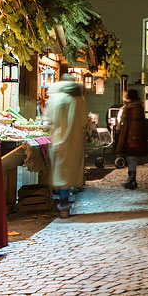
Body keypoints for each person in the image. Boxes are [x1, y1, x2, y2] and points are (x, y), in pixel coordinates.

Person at [46, 73, 88, 218]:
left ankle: (62, 204)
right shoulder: (79, 98)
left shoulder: (56, 97)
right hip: (74, 140)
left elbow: (49, 118)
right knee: (69, 174)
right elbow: (83, 122)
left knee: (60, 172)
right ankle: (65, 203)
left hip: (59, 137)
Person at [114, 89, 148, 190]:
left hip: (132, 137)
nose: (123, 96)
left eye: (125, 95)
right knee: (130, 157)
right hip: (129, 135)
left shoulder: (134, 108)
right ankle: (131, 179)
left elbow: (135, 124)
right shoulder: (131, 107)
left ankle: (132, 179)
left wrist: (134, 137)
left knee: (131, 157)